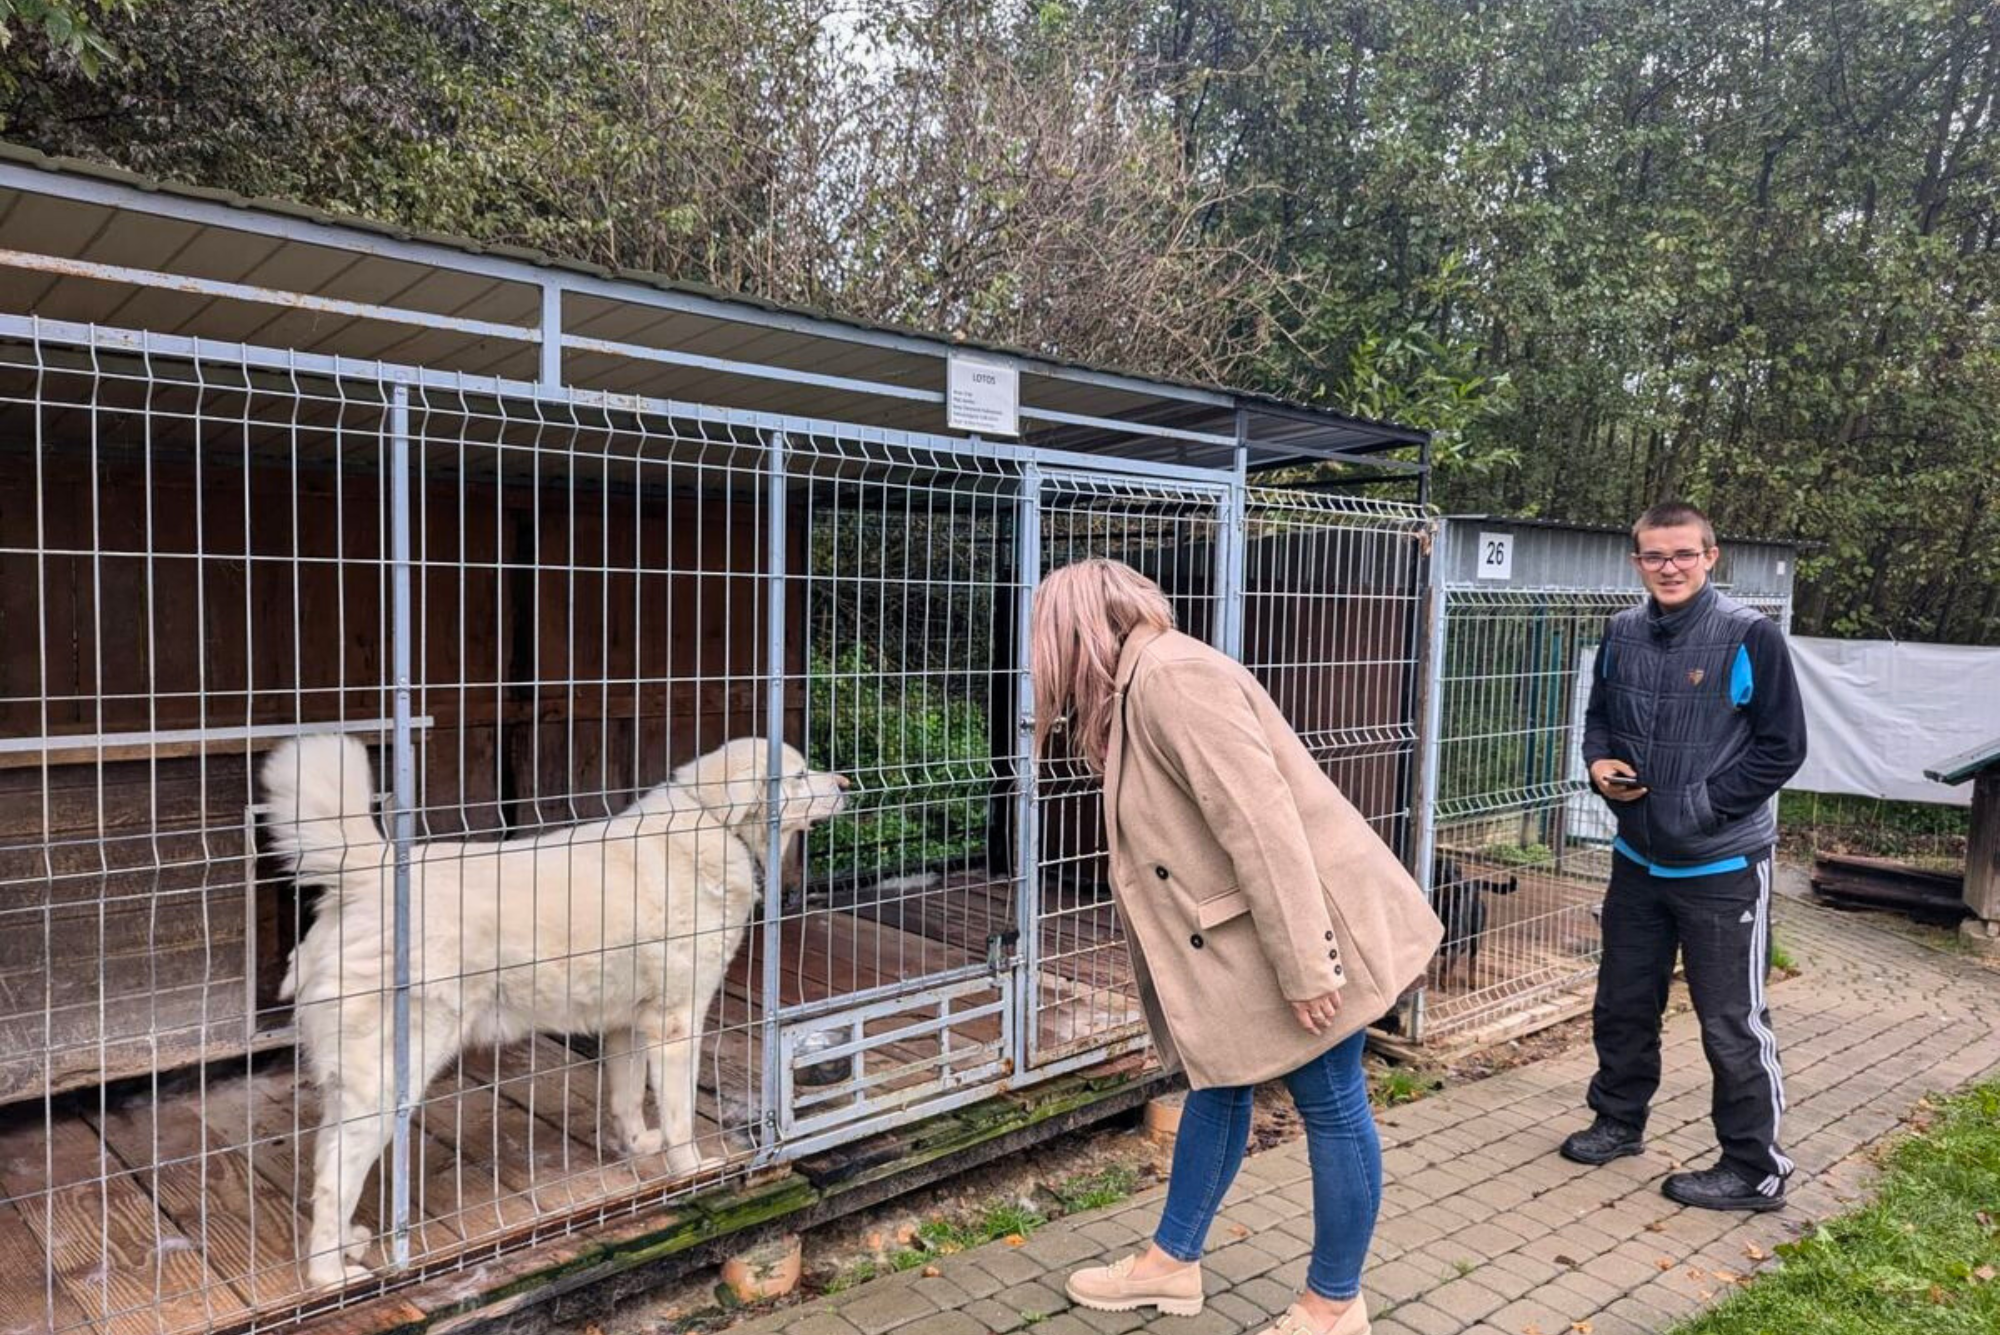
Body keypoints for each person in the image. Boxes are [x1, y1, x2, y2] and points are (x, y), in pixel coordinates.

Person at [1031, 559, 1442, 1335]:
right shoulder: (1148, 674)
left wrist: (1305, 962)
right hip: (1244, 937)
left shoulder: (1172, 678)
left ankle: (1333, 1301)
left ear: (1079, 628)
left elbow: (1262, 824)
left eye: (1046, 637)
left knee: (1332, 1101)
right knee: (1219, 1085)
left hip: (1293, 931)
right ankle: (1171, 1262)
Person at [1561, 501, 1809, 1211]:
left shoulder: (1748, 635)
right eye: (1654, 555)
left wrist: (1702, 807)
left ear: (1711, 556)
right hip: (1637, 859)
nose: (1669, 566)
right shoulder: (1621, 631)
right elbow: (1600, 716)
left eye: (1683, 554)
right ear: (1636, 561)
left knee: (1731, 1021)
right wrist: (1601, 762)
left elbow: (1781, 747)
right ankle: (1617, 1119)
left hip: (1722, 866)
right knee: (1623, 1001)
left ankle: (1753, 1168)